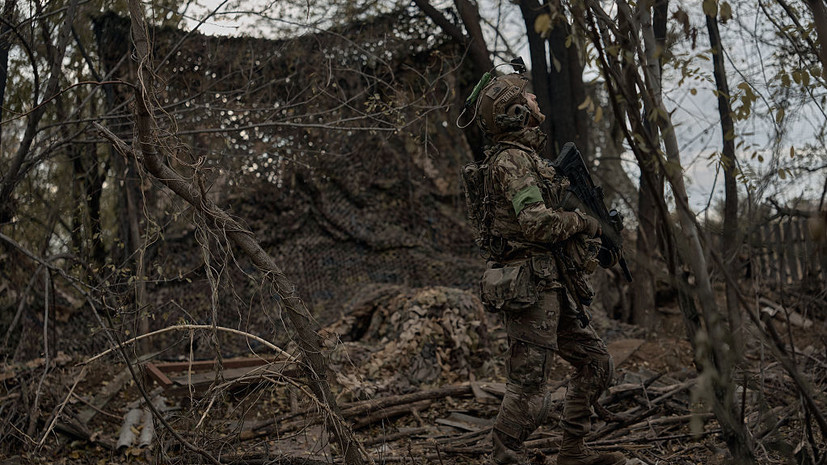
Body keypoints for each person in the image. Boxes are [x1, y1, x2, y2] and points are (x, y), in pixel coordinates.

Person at [468, 72, 627, 465]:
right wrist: (585, 223)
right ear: (514, 111)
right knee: (529, 391)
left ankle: (572, 453)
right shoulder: (512, 161)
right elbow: (537, 224)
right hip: (530, 286)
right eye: (527, 96)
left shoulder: (528, 159)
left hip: (550, 282)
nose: (535, 99)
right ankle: (504, 456)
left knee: (595, 364)